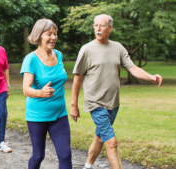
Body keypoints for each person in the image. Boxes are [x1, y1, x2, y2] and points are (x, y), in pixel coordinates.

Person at [70, 14, 163, 169]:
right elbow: (77, 79)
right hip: (96, 103)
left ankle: (87, 166)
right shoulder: (86, 50)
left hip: (113, 103)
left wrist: (150, 77)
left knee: (100, 137)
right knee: (111, 143)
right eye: (95, 25)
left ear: (110, 28)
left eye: (102, 25)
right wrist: (74, 105)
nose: (98, 29)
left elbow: (132, 68)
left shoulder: (118, 47)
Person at [20, 19, 72, 169]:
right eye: (49, 34)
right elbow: (26, 90)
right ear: (39, 35)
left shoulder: (58, 55)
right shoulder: (30, 59)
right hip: (37, 116)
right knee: (38, 156)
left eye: (55, 34)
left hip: (59, 115)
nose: (53, 38)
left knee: (65, 155)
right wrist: (40, 92)